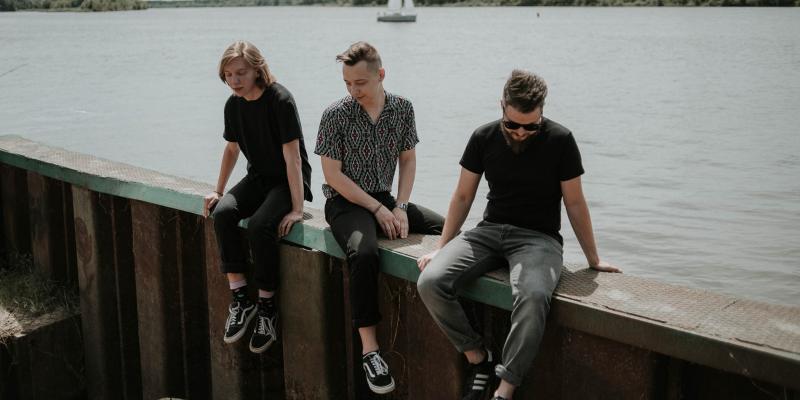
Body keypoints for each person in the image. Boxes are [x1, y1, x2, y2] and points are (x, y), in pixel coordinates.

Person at [416, 70, 621, 400]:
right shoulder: (483, 137)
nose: (521, 132)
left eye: (531, 126)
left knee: (533, 296)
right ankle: (478, 359)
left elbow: (575, 203)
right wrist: (442, 247)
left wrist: (593, 259)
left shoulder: (561, 140)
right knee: (430, 281)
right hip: (488, 232)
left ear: (542, 113)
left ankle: (505, 389)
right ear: (502, 106)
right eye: (513, 125)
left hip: (538, 239)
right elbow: (463, 196)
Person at [315, 41, 444, 394]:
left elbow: (408, 159)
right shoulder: (335, 114)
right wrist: (376, 209)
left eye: (360, 83)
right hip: (344, 203)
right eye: (347, 83)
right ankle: (370, 351)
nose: (353, 90)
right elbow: (332, 176)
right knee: (365, 253)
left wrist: (400, 206)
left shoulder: (403, 108)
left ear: (380, 75)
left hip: (386, 199)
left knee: (448, 229)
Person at [203, 40, 313, 354]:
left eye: (240, 73)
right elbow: (231, 149)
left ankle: (266, 308)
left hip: (287, 181)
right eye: (228, 75)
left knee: (260, 226)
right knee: (223, 213)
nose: (234, 80)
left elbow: (293, 157)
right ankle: (241, 300)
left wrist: (297, 208)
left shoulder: (280, 99)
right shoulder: (233, 105)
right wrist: (218, 190)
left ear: (257, 69)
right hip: (258, 178)